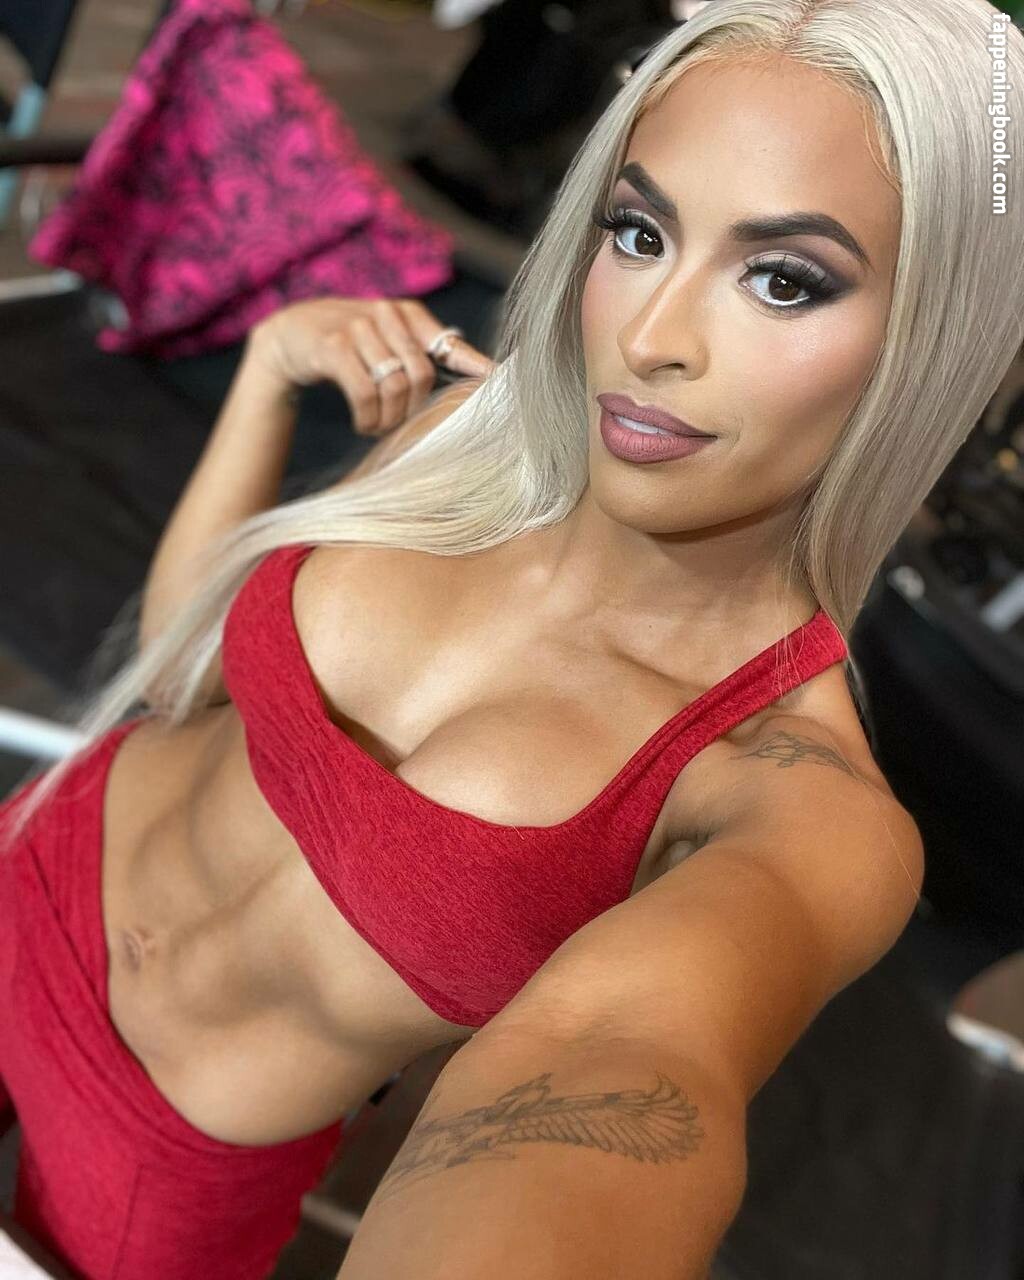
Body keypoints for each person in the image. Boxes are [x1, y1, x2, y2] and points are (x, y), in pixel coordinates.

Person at [1, 0, 1022, 1277]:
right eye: (639, 233)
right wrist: (264, 378)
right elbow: (184, 679)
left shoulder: (798, 810)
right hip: (35, 855)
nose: (648, 338)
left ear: (936, 341)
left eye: (782, 279)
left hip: (157, 1155)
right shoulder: (459, 442)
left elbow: (620, 1065)